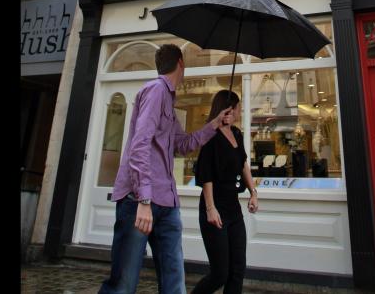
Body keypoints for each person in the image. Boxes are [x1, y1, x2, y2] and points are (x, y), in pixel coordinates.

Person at [100, 44, 234, 294]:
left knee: (174, 280)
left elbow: (183, 145)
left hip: (167, 203)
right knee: (123, 283)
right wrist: (144, 199)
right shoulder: (156, 90)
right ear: (181, 63)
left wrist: (215, 124)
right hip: (140, 201)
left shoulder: (169, 104)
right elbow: (139, 145)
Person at [191, 90, 259, 294]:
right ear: (229, 109)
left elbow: (243, 164)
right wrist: (211, 208)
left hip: (233, 210)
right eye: (238, 107)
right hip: (215, 211)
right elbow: (206, 175)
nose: (239, 112)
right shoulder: (210, 135)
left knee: (237, 270)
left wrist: (253, 192)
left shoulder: (236, 133)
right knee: (220, 273)